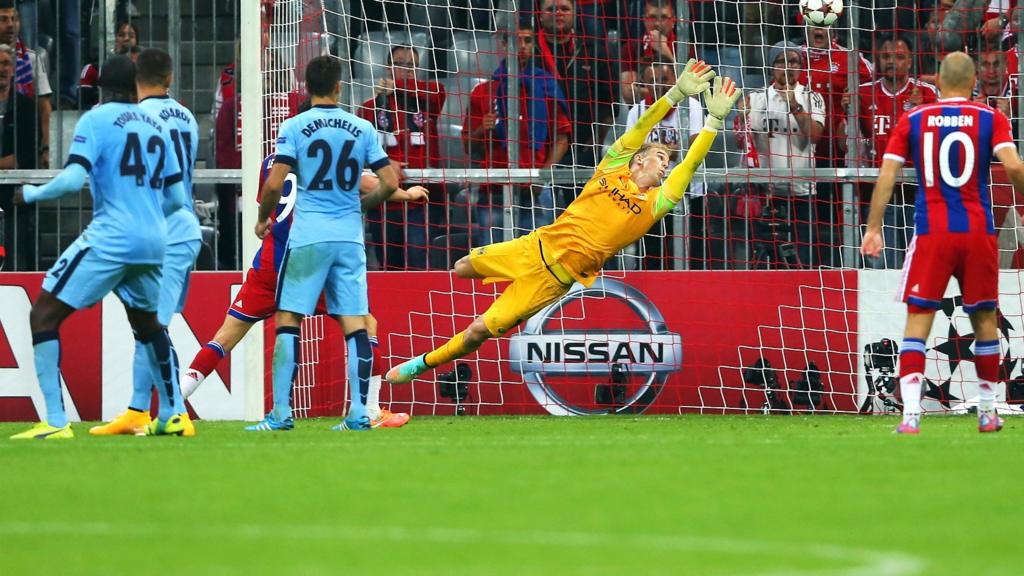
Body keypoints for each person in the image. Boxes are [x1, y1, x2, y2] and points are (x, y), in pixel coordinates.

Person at [387, 60, 740, 384]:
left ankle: (422, 364)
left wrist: (712, 122)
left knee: (479, 331)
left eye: (667, 161)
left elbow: (690, 165)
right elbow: (644, 125)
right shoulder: (612, 165)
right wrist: (674, 94)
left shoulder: (654, 204)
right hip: (533, 246)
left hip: (553, 280)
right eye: (660, 156)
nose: (665, 165)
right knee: (461, 267)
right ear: (637, 161)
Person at [179, 153, 427, 430]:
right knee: (366, 325)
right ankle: (369, 411)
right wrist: (407, 194)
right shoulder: (324, 155)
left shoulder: (269, 163)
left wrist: (262, 221)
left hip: (270, 265)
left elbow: (271, 200)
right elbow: (368, 184)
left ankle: (175, 405)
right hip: (310, 263)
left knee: (224, 338)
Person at [10, 55, 188, 439]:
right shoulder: (158, 125)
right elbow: (177, 198)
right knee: (148, 326)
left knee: (43, 316)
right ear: (136, 84)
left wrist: (30, 193)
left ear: (102, 86)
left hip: (112, 236)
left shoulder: (96, 119)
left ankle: (56, 423)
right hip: (155, 239)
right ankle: (174, 414)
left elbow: (74, 179)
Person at [861, 51, 1024, 435]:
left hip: (932, 231)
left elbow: (887, 175)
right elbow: (1014, 167)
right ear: (972, 83)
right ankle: (987, 412)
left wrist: (873, 227)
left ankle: (912, 416)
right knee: (984, 318)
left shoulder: (914, 118)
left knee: (919, 321)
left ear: (938, 81)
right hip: (977, 231)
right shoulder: (990, 117)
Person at [254, 55, 399, 431]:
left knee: (288, 319)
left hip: (309, 238)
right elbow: (390, 181)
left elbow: (274, 183)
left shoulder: (294, 126)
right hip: (350, 239)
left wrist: (262, 217)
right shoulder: (361, 127)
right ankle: (357, 415)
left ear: (307, 87)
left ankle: (281, 415)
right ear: (339, 86)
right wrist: (362, 205)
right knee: (356, 324)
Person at [87, 49, 201, 436]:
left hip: (160, 229)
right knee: (150, 324)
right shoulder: (186, 116)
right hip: (183, 225)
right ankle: (139, 410)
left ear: (136, 80)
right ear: (170, 77)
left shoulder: (136, 119)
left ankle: (173, 412)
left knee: (152, 325)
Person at [463, 24, 571, 245]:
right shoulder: (483, 92)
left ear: (534, 45)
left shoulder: (547, 86)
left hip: (533, 190)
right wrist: (481, 130)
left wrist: (543, 175)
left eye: (528, 40)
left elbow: (562, 139)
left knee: (535, 260)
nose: (522, 46)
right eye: (515, 41)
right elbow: (469, 148)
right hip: (492, 189)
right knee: (491, 260)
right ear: (503, 45)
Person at [358, 45, 445, 270]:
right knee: (390, 266)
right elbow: (360, 154)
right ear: (388, 67)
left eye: (412, 66)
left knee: (420, 265)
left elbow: (439, 91)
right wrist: (383, 165)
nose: (407, 70)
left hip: (422, 198)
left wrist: (397, 86)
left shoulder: (428, 99)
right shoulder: (369, 108)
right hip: (386, 201)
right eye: (400, 64)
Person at [854, 33, 937, 269]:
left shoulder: (927, 93)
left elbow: (940, 141)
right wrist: (847, 117)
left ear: (910, 61)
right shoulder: (863, 93)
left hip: (918, 191)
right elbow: (844, 143)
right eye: (886, 56)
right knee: (882, 266)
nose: (891, 62)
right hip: (880, 191)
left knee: (919, 265)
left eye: (899, 57)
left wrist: (925, 114)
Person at [740, 42, 826, 267]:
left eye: (794, 61)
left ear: (801, 66)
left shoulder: (812, 97)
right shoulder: (757, 98)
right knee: (765, 267)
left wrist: (794, 105)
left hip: (802, 192)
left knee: (804, 263)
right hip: (766, 194)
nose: (788, 67)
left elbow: (815, 136)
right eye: (781, 61)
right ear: (772, 66)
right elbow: (741, 141)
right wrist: (740, 118)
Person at [623, 60, 704, 269]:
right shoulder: (637, 112)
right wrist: (672, 149)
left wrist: (652, 152)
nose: (659, 85)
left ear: (674, 81)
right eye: (652, 81)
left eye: (664, 80)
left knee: (692, 256)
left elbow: (694, 149)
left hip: (688, 192)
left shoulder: (691, 107)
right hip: (650, 195)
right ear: (644, 84)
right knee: (652, 256)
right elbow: (631, 154)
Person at [0, 0, 51, 168]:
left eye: (14, 19)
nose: (10, 25)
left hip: (22, 136)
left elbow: (44, 107)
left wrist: (45, 147)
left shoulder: (32, 59)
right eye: (3, 19)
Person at [0, 42, 37, 272]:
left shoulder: (25, 108)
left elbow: (26, 156)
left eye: (6, 63)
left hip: (14, 201)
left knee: (15, 267)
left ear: (14, 68)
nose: (2, 69)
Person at [79, 20, 138, 109]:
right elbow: (82, 105)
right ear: (114, 39)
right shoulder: (92, 69)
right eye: (121, 35)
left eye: (131, 36)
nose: (126, 39)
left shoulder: (144, 70)